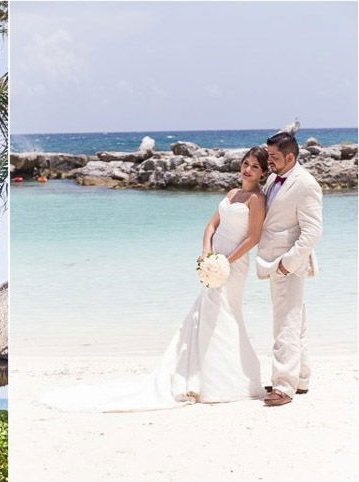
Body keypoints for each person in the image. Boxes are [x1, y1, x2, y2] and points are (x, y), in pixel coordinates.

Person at [41, 146, 269, 412]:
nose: (247, 169)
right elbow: (211, 225)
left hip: (233, 265)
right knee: (206, 315)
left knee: (226, 315)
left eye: (254, 166)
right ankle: (202, 376)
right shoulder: (232, 193)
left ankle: (224, 380)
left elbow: (253, 237)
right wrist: (206, 252)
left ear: (263, 172)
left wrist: (224, 262)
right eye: (245, 163)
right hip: (214, 261)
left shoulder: (257, 199)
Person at [256, 132, 323, 406]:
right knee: (296, 321)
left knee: (285, 323)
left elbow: (312, 231)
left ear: (290, 157)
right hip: (274, 261)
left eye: (273, 157)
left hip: (288, 264)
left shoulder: (306, 184)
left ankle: (284, 386)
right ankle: (301, 378)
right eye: (268, 155)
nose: (268, 161)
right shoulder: (273, 178)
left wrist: (288, 263)